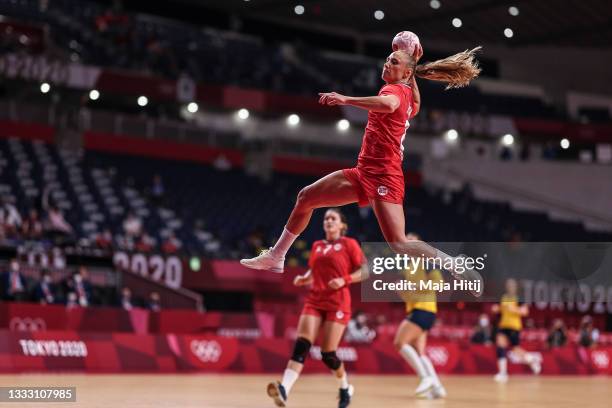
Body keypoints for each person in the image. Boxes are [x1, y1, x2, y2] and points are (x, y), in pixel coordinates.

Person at [241, 40, 482, 291]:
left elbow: (388, 105)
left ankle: (455, 264)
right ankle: (277, 256)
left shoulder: (393, 92)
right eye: (388, 59)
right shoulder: (407, 92)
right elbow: (415, 108)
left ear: (406, 73)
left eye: (395, 62)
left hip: (384, 176)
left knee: (399, 243)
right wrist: (412, 71)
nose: (388, 63)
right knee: (306, 197)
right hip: (363, 171)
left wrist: (345, 99)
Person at [266, 208, 366, 408]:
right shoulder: (317, 245)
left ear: (342, 225)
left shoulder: (349, 244)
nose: (328, 220)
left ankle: (344, 387)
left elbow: (365, 270)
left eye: (333, 218)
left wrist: (344, 279)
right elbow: (315, 268)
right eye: (326, 218)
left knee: (328, 354)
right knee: (302, 345)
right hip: (315, 300)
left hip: (338, 302)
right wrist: (306, 277)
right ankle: (284, 389)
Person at [394, 233, 446, 399]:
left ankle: (426, 378)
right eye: (405, 240)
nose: (406, 243)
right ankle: (438, 388)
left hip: (424, 309)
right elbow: (408, 295)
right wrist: (402, 291)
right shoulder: (407, 267)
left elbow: (439, 284)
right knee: (419, 351)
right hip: (417, 309)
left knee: (399, 343)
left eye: (411, 240)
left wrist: (415, 286)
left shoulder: (426, 261)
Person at [491, 279, 541, 383]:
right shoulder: (503, 297)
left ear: (515, 287)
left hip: (514, 327)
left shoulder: (519, 298)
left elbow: (525, 311)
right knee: (500, 346)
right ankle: (503, 373)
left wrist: (514, 309)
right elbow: (499, 308)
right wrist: (496, 308)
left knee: (515, 349)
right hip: (503, 325)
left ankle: (531, 360)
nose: (510, 286)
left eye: (512, 285)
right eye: (508, 285)